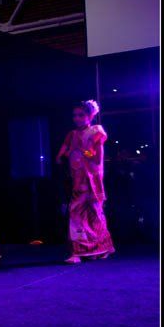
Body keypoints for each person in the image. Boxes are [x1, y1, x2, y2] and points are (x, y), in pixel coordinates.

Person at [55, 99, 115, 263]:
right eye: (75, 115)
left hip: (92, 178)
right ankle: (78, 251)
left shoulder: (97, 132)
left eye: (81, 115)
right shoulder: (72, 134)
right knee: (76, 212)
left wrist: (83, 153)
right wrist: (63, 156)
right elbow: (63, 152)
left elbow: (95, 157)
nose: (77, 118)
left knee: (95, 214)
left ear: (90, 116)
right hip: (78, 180)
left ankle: (101, 247)